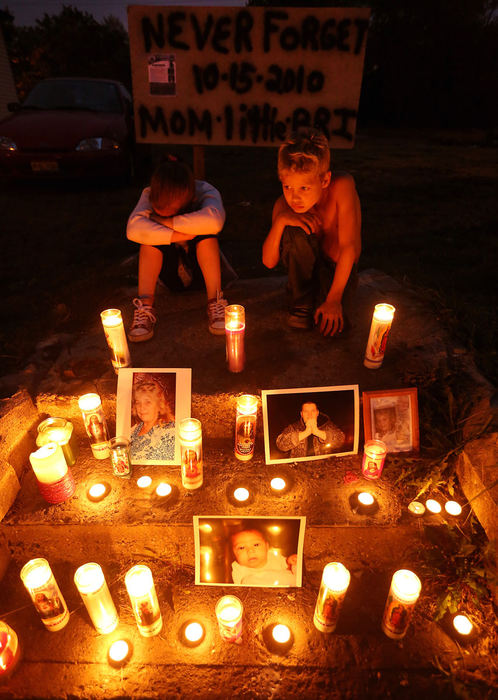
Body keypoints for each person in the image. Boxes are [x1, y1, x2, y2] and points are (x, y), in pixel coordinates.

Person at [262, 127, 361, 335]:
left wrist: (334, 300)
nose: (294, 198)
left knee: (335, 328)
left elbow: (349, 247)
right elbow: (268, 261)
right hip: (304, 274)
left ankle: (325, 297)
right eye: (288, 187)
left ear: (324, 180)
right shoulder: (283, 206)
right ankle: (301, 303)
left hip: (336, 268)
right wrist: (280, 222)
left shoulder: (342, 187)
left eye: (304, 188)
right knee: (293, 229)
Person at [126, 155, 228, 340]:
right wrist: (178, 235)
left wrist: (162, 221)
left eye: (173, 214)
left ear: (192, 199)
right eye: (159, 213)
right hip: (169, 273)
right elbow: (133, 229)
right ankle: (145, 307)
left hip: (201, 272)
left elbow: (214, 221)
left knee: (207, 237)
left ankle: (216, 302)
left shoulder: (204, 191)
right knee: (148, 242)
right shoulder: (149, 194)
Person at [130, 373, 175, 461]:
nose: (142, 408)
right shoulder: (133, 430)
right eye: (138, 402)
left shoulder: (170, 430)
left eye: (148, 402)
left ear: (159, 404)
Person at [276, 401, 345, 458]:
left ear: (317, 413)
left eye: (313, 411)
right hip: (298, 468)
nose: (310, 415)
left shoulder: (327, 425)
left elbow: (340, 440)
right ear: (301, 414)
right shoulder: (293, 427)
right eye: (306, 411)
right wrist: (306, 432)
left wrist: (317, 432)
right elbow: (281, 445)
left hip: (323, 466)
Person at [230, 528, 297, 586]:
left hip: (283, 585)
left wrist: (290, 561)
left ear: (267, 547)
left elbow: (286, 566)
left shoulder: (272, 556)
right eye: (241, 547)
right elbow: (240, 589)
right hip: (260, 593)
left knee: (296, 566)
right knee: (247, 581)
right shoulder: (237, 568)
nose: (250, 551)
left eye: (256, 545)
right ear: (234, 553)